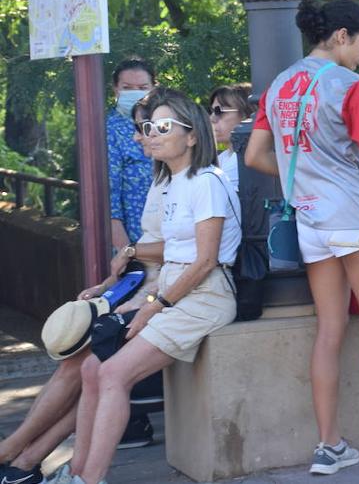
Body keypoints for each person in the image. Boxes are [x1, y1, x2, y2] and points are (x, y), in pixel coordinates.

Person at [244, 0, 359, 475]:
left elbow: (256, 155)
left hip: (310, 219)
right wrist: (349, 181)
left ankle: (329, 446)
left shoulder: (278, 86)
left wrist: (308, 178)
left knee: (330, 331)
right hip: (354, 218)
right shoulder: (350, 84)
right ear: (341, 36)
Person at [49, 90, 241, 484]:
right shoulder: (172, 181)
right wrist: (133, 268)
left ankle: (88, 479)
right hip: (174, 292)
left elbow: (204, 260)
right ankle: (76, 470)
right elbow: (173, 250)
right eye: (150, 127)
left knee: (113, 373)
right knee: (91, 368)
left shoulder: (207, 181)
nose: (151, 134)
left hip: (203, 296)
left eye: (163, 127)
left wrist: (154, 305)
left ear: (192, 136)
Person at [0, 93, 171, 484]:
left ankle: (19, 453)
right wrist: (109, 284)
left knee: (86, 362)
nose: (140, 138)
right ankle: (24, 456)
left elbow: (187, 251)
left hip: (164, 295)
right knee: (79, 360)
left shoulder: (191, 181)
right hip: (142, 283)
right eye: (140, 128)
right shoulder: (162, 178)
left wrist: (130, 258)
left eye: (151, 128)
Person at [106, 57, 156, 250]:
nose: (135, 93)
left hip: (170, 240)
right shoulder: (109, 130)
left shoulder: (165, 125)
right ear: (116, 90)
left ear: (153, 89)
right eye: (127, 87)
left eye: (143, 87)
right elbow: (110, 203)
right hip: (133, 240)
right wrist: (128, 253)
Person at [206, 83, 255, 192]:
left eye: (219, 112)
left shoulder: (242, 160)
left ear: (246, 115)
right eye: (212, 112)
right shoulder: (224, 157)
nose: (211, 118)